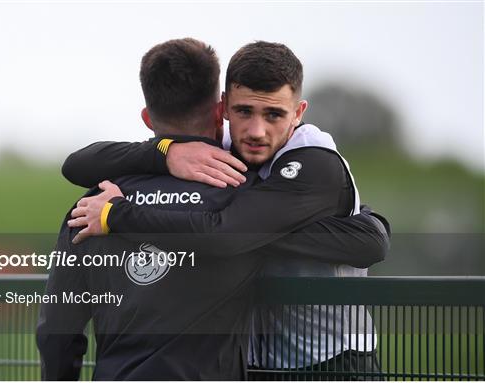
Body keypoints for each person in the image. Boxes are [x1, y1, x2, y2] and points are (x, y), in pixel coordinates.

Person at [37, 38, 388, 380]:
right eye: (244, 111)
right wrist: (165, 152)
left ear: (298, 113)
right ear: (223, 109)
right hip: (258, 368)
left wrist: (116, 215)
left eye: (274, 115)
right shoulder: (224, 171)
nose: (256, 130)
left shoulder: (312, 164)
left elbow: (226, 233)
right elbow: (77, 163)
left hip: (333, 364)